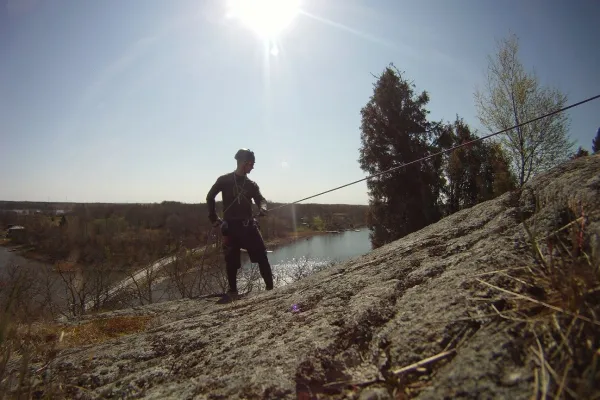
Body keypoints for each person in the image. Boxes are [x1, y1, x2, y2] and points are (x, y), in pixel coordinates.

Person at [206, 148, 274, 298]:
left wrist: (263, 208)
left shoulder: (251, 184)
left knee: (262, 257)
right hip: (230, 227)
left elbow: (261, 199)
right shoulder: (224, 180)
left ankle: (271, 290)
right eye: (252, 164)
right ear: (244, 163)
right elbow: (210, 197)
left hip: (248, 226)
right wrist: (213, 218)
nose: (253, 167)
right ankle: (232, 291)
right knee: (231, 261)